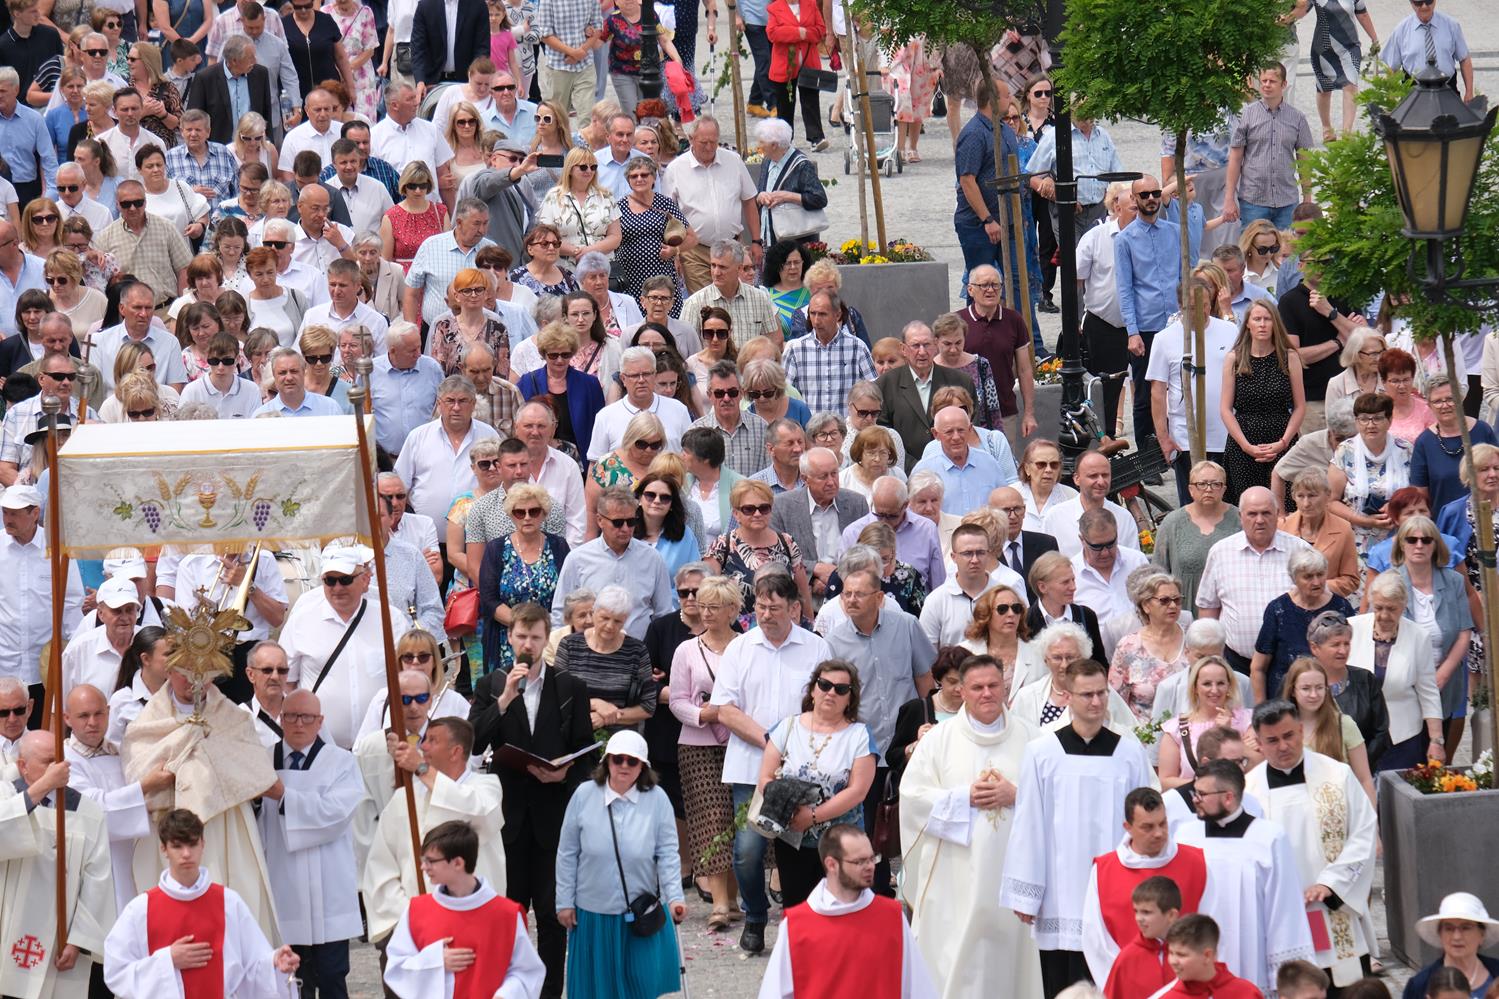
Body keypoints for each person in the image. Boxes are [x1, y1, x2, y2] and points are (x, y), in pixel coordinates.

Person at [1001, 658, 1154, 997]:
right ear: (1068, 697)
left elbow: (1143, 824)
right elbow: (1029, 823)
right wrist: (1027, 893)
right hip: (1060, 888)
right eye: (1087, 694)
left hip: (1115, 887)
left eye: (1102, 693)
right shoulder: (1042, 752)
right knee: (1061, 982)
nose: (1096, 702)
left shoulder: (1129, 753)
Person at [896, 652, 1044, 997]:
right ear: (961, 691)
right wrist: (964, 798)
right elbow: (913, 797)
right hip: (955, 871)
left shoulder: (1034, 738)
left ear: (1005, 688)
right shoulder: (938, 740)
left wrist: (1017, 795)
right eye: (977, 687)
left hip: (1014, 869)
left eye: (994, 685)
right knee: (956, 956)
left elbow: (1054, 798)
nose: (987, 693)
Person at [468, 602, 594, 995]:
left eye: (535, 637)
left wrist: (565, 771)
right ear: (509, 638)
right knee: (511, 912)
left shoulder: (570, 687)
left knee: (553, 916)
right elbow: (474, 742)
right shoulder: (491, 685)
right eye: (521, 636)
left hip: (553, 816)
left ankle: (550, 992)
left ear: (546, 639)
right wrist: (505, 699)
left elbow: (586, 752)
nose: (528, 644)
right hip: (509, 817)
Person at [120, 665, 279, 941]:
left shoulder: (233, 718)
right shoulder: (148, 721)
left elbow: (256, 771)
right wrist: (171, 764)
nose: (194, 681)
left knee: (229, 898)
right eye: (185, 672)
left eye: (202, 673)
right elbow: (137, 769)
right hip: (169, 823)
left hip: (224, 824)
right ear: (169, 671)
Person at [1245, 699, 1378, 990]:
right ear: (1258, 742)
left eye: (1289, 735)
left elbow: (1364, 833)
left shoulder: (1337, 775)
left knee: (1345, 989)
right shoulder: (1249, 792)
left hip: (1332, 907)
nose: (1283, 746)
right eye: (1272, 740)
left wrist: (1331, 884)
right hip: (1281, 916)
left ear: (1301, 730)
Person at [104, 809, 300, 997]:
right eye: (177, 846)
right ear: (163, 848)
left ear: (203, 844)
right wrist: (168, 960)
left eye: (192, 844)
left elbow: (252, 965)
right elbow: (116, 972)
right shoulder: (141, 909)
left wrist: (276, 962)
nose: (186, 854)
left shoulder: (229, 902)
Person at [555, 728, 686, 997]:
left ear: (643, 766)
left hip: (640, 910)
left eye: (632, 761)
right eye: (618, 759)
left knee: (640, 987)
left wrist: (675, 897)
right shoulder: (583, 795)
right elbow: (567, 852)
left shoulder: (658, 799)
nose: (624, 765)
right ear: (607, 762)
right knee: (596, 990)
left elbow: (668, 853)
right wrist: (564, 901)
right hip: (593, 913)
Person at [252, 688, 362, 997]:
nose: (299, 723)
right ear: (281, 719)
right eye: (292, 716)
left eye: (307, 717)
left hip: (329, 883)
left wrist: (283, 796)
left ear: (320, 721)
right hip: (281, 879)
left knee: (331, 975)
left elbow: (337, 814)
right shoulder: (262, 761)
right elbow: (248, 821)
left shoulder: (341, 762)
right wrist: (257, 802)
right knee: (290, 978)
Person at [1174, 759, 1316, 995]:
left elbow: (1284, 909)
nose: (1195, 800)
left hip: (1252, 956)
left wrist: (1284, 979)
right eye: (1195, 793)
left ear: (1228, 797)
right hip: (1199, 958)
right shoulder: (1185, 836)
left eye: (1202, 794)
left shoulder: (1269, 837)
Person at [362, 717, 507, 945]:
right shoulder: (404, 799)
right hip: (416, 925)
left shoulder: (486, 788)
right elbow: (381, 866)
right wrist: (408, 913)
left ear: (455, 751)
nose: (423, 746)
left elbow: (476, 813)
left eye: (432, 740)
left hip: (476, 920)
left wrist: (421, 768)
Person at [760, 823, 938, 999]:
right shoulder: (796, 925)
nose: (870, 867)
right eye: (859, 861)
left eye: (872, 859)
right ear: (831, 864)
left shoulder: (892, 916)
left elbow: (918, 987)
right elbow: (774, 992)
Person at [0, 728, 112, 997]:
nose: (57, 768)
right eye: (48, 761)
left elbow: (98, 882)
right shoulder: (5, 797)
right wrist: (42, 787)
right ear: (23, 766)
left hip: (59, 943)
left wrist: (78, 941)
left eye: (60, 760)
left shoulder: (88, 812)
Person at [383, 819, 547, 997]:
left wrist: (505, 995)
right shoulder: (417, 910)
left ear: (458, 863)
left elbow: (527, 972)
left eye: (431, 861)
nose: (423, 867)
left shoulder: (506, 914)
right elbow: (396, 968)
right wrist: (436, 961)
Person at [1079, 788, 1209, 989]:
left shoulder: (1196, 862)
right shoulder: (1104, 870)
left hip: (1188, 985)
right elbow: (1096, 938)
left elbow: (1210, 923)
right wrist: (1122, 982)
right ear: (1128, 827)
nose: (1159, 833)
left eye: (1162, 823)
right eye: (1148, 827)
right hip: (1129, 983)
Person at [551, 487, 675, 636]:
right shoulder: (577, 559)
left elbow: (664, 614)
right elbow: (560, 614)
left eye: (631, 522)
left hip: (638, 648)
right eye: (618, 523)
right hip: (589, 648)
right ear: (600, 520)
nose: (625, 528)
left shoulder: (653, 559)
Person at [1221, 299, 1305, 504]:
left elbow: (1300, 406)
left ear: (1275, 323)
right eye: (1257, 319)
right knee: (1247, 505)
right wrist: (1246, 446)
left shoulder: (1289, 357)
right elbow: (1225, 409)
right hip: (1244, 442)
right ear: (1248, 324)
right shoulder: (1234, 358)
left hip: (1281, 438)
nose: (1262, 324)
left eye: (1267, 319)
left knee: (1285, 505)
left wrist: (1283, 442)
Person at [1251, 548, 1355, 702]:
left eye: (1320, 574)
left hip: (1329, 701)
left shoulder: (1341, 607)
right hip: (1284, 703)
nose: (1316, 582)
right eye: (1308, 577)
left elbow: (1354, 659)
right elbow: (1258, 667)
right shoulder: (1278, 609)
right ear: (1294, 578)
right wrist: (1262, 709)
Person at [1282, 657, 1376, 804]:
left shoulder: (1344, 725)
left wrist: (1371, 815)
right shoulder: (1281, 729)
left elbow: (1364, 779)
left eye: (1319, 687)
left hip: (1340, 807)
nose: (1314, 694)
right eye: (1306, 688)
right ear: (1293, 690)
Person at [1150, 460, 1241, 611]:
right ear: (1191, 489)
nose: (1208, 489)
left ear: (1224, 489)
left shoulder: (1240, 520)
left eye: (1216, 484)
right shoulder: (1172, 522)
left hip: (1229, 608)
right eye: (1202, 484)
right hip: (1184, 610)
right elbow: (1157, 573)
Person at [1157, 654, 1258, 789]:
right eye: (1207, 684)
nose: (1214, 690)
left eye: (1220, 683)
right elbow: (1165, 781)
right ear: (1195, 688)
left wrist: (1230, 735)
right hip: (1194, 800)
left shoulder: (1248, 720)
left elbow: (1263, 765)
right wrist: (1206, 786)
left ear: (1229, 686)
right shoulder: (1176, 728)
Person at [1108, 571, 1191, 726]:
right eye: (1164, 600)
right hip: (1144, 735)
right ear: (1146, 606)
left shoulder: (1194, 640)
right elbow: (1116, 703)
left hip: (1190, 732)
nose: (1173, 606)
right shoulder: (1128, 647)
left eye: (1177, 600)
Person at [1413, 374, 1499, 515]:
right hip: (1446, 521)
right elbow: (1420, 493)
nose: (1445, 405)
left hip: (1488, 517)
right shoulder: (1424, 442)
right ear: (1429, 405)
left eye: (1450, 399)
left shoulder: (1482, 430)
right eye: (1437, 401)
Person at [1402, 893, 1499, 999]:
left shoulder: (1496, 971)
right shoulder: (1420, 985)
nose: (1457, 937)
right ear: (1440, 934)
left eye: (1466, 928)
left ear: (1482, 934)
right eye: (1449, 929)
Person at [1380, 0, 1474, 101]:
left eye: (1428, 1)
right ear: (1411, 3)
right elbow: (1392, 68)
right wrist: (1391, 99)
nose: (1424, 6)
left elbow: (1464, 59)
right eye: (1419, 3)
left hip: (1448, 91)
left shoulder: (1451, 25)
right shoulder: (1401, 30)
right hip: (1413, 95)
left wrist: (1469, 92)